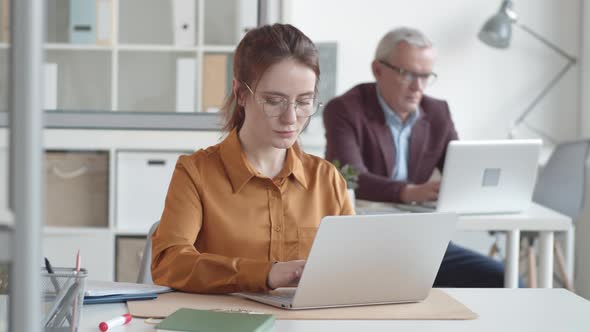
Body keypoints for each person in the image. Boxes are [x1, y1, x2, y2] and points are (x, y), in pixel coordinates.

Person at [151, 24, 354, 294]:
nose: (291, 118)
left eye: (304, 101)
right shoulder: (195, 172)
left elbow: (353, 265)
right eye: (274, 101)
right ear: (241, 94)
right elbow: (169, 263)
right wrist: (266, 273)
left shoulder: (327, 179)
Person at [323, 27, 508, 287]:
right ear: (378, 70)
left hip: (422, 242)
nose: (418, 87)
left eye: (425, 76)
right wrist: (408, 192)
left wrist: (474, 188)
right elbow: (348, 179)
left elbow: (460, 171)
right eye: (407, 74)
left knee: (507, 280)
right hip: (364, 243)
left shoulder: (437, 112)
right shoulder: (345, 109)